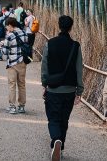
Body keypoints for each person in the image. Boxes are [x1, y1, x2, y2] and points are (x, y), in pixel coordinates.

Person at [41, 15, 83, 161]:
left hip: (53, 88)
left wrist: (44, 83)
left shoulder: (50, 44)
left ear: (59, 26)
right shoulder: (75, 46)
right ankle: (61, 147)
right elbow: (79, 69)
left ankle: (56, 140)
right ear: (71, 27)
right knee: (64, 119)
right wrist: (80, 90)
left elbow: (44, 66)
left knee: (53, 118)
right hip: (70, 90)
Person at [2, 16, 28, 114]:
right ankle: (21, 106)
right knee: (22, 84)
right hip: (22, 62)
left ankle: (12, 107)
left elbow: (5, 52)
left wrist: (2, 44)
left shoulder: (9, 36)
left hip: (12, 63)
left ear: (10, 25)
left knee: (12, 84)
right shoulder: (24, 33)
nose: (6, 28)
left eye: (6, 26)